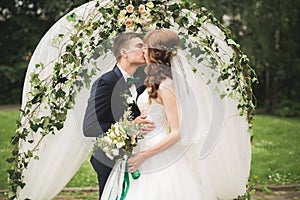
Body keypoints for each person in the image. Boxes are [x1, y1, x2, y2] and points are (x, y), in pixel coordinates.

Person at [101, 28, 251, 200]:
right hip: (141, 146)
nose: (143, 51)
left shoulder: (166, 86)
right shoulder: (152, 81)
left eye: (146, 47)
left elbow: (177, 132)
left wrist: (144, 156)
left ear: (155, 53)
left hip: (158, 153)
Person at [83, 32, 155, 199]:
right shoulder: (106, 82)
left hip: (134, 156)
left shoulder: (141, 80)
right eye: (139, 46)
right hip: (109, 159)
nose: (144, 50)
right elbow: (90, 126)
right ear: (124, 53)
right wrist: (129, 127)